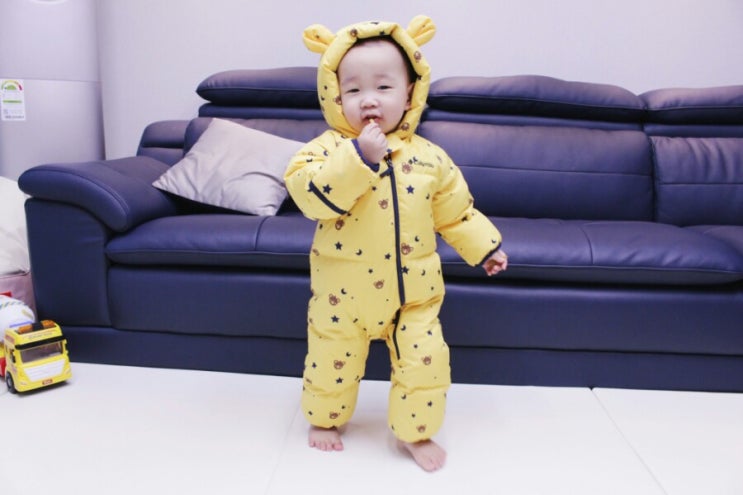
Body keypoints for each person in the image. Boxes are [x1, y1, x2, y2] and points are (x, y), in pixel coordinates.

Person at [284, 16, 508, 472]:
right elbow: (309, 195)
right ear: (333, 96)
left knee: (425, 363)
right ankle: (325, 420)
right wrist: (358, 158)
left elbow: (455, 211)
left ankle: (416, 432)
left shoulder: (429, 158)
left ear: (410, 93)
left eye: (383, 87)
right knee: (331, 357)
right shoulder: (324, 150)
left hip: (414, 294)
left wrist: (484, 247)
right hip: (341, 295)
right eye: (353, 90)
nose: (368, 99)